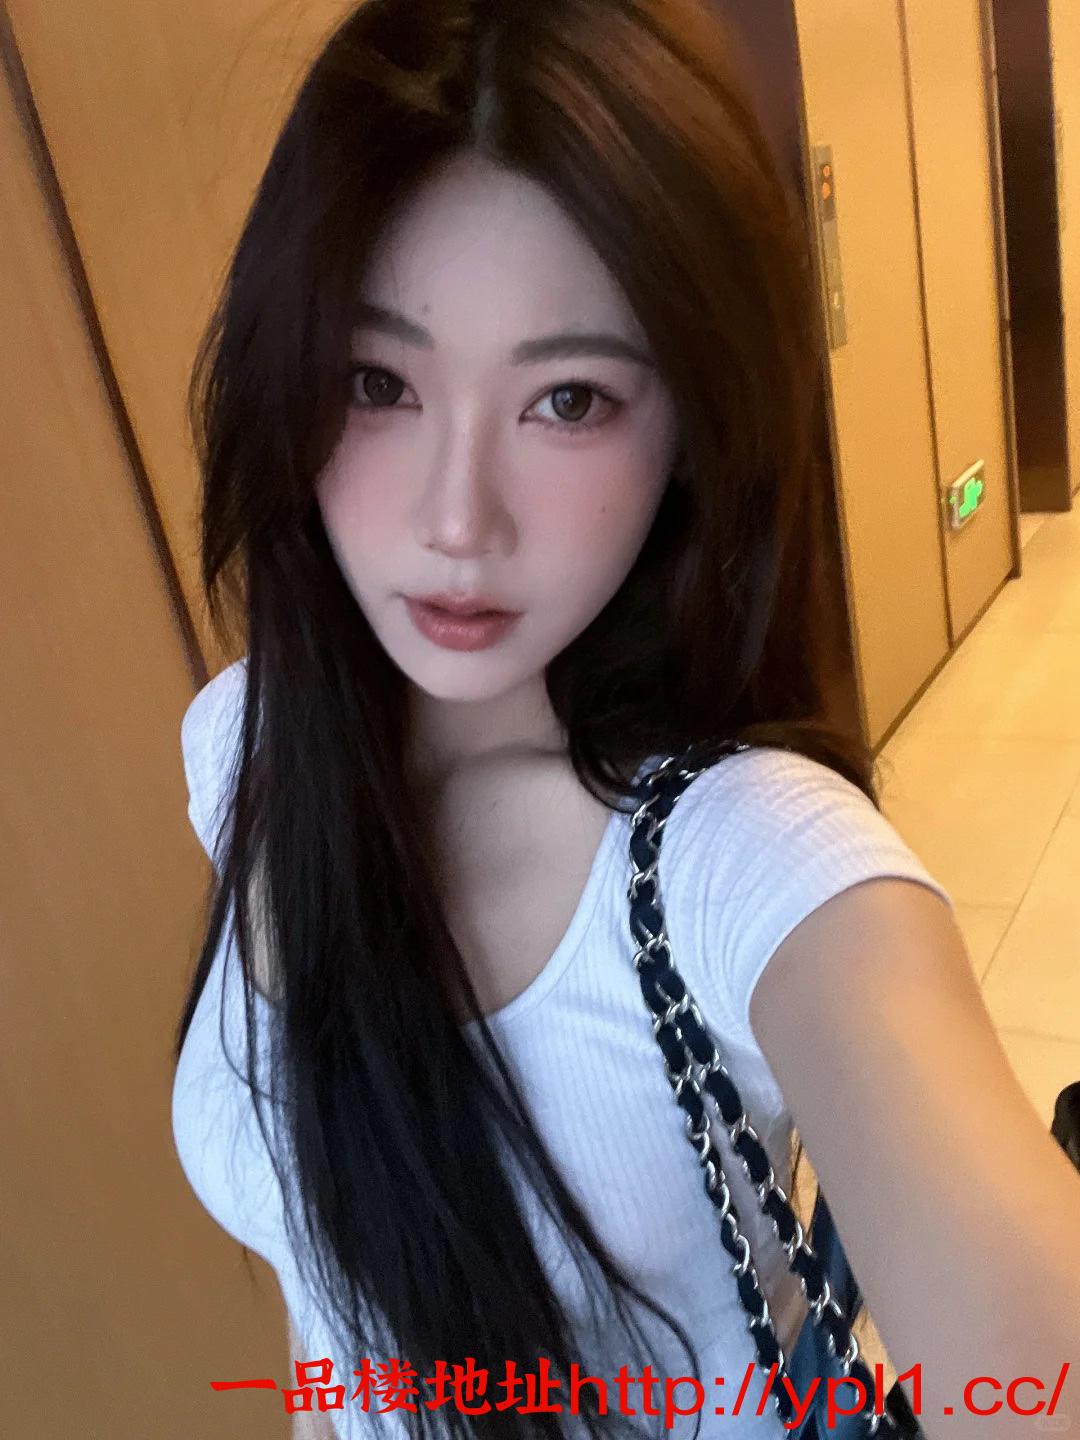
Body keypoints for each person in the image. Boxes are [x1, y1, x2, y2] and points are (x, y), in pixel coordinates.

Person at [170, 1, 1080, 1438]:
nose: (457, 520)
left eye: (570, 400)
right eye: (377, 382)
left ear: (694, 435)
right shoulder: (244, 744)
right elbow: (328, 1299)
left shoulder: (737, 859)